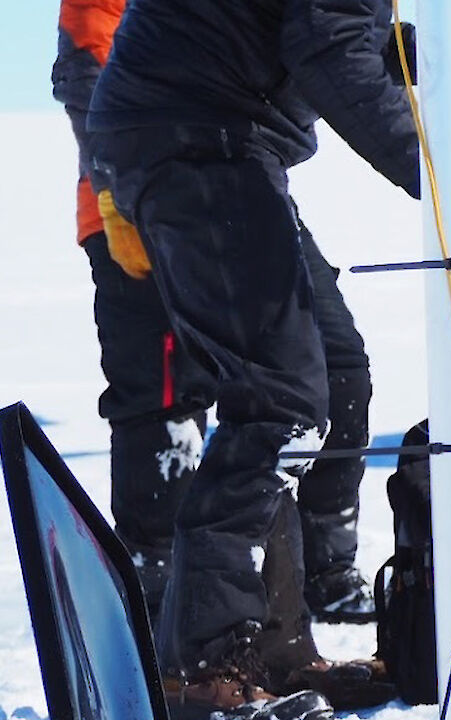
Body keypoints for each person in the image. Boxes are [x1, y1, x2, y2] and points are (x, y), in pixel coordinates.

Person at [82, 0, 451, 720]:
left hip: (225, 139)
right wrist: (437, 172)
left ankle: (279, 652)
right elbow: (326, 50)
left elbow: (327, 30)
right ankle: (200, 662)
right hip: (189, 139)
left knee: (338, 378)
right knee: (280, 398)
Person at [54, 0, 376, 632]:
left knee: (331, 366)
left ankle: (321, 569)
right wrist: (114, 193)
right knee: (166, 394)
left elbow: (314, 42)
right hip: (133, 198)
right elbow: (86, 70)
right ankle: (156, 583)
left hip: (234, 182)